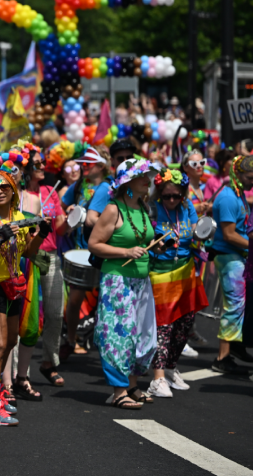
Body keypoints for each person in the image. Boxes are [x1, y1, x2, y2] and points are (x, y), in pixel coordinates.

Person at [0, 160, 46, 426]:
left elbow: (28, 254)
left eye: (5, 186)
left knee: (11, 342)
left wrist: (40, 236)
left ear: (14, 190)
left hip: (13, 286)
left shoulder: (20, 218)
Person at [88, 159, 161, 409]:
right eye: (141, 176)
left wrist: (155, 245)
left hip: (141, 280)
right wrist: (125, 252)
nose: (147, 179)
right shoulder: (113, 209)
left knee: (142, 335)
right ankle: (119, 390)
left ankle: (131, 385)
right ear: (127, 182)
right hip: (117, 280)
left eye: (147, 175)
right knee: (118, 334)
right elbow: (94, 244)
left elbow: (141, 237)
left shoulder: (143, 206)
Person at [146, 168, 208, 397]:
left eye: (176, 196)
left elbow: (193, 232)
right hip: (159, 274)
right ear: (159, 193)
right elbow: (145, 239)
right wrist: (157, 244)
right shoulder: (152, 209)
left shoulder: (187, 206)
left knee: (184, 325)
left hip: (185, 271)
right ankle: (157, 377)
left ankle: (171, 368)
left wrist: (200, 234)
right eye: (167, 196)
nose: (172, 200)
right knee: (163, 327)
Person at [15, 144, 70, 389]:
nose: (43, 166)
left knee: (56, 313)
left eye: (43, 162)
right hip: (25, 258)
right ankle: (17, 372)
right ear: (25, 168)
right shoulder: (16, 193)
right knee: (23, 316)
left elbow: (61, 228)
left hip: (50, 256)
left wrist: (72, 220)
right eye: (37, 163)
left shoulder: (51, 191)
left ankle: (49, 361)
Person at [60, 146, 112, 359]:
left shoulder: (107, 187)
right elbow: (61, 206)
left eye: (87, 164)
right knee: (75, 300)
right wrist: (69, 211)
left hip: (101, 249)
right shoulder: (80, 184)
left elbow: (96, 218)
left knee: (104, 299)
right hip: (80, 247)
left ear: (101, 166)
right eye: (82, 164)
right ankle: (71, 339)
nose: (83, 167)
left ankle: (102, 344)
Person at [210, 155, 253, 374]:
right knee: (234, 305)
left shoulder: (238, 194)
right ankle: (222, 358)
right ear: (237, 174)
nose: (252, 182)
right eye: (249, 177)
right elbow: (229, 235)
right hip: (228, 256)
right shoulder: (228, 197)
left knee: (240, 305)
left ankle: (235, 347)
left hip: (237, 256)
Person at [182, 150, 212, 216]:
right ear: (185, 168)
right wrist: (195, 209)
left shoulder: (205, 187)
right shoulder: (184, 188)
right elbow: (179, 213)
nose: (198, 166)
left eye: (201, 163)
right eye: (194, 164)